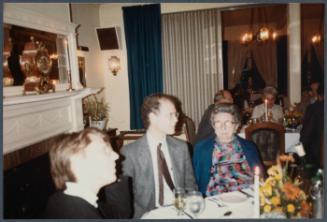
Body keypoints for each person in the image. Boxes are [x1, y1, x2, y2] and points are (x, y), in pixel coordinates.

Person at [121, 93, 197, 218]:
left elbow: (190, 185)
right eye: (170, 115)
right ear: (153, 117)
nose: (176, 119)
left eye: (176, 114)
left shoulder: (181, 147)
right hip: (147, 215)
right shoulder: (129, 153)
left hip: (179, 211)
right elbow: (126, 198)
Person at [44, 128, 132, 219]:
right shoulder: (81, 214)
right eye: (105, 150)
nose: (116, 156)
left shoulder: (62, 199)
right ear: (76, 162)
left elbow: (118, 214)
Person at [193, 103, 264, 196]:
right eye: (218, 122)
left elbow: (261, 178)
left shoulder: (250, 147)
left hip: (247, 197)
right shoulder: (201, 149)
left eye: (227, 122)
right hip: (216, 200)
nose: (223, 127)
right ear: (213, 126)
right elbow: (195, 183)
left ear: (236, 126)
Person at [300, 84, 324, 169]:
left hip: (317, 154)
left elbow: (306, 134)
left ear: (318, 95)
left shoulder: (313, 108)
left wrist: (301, 151)